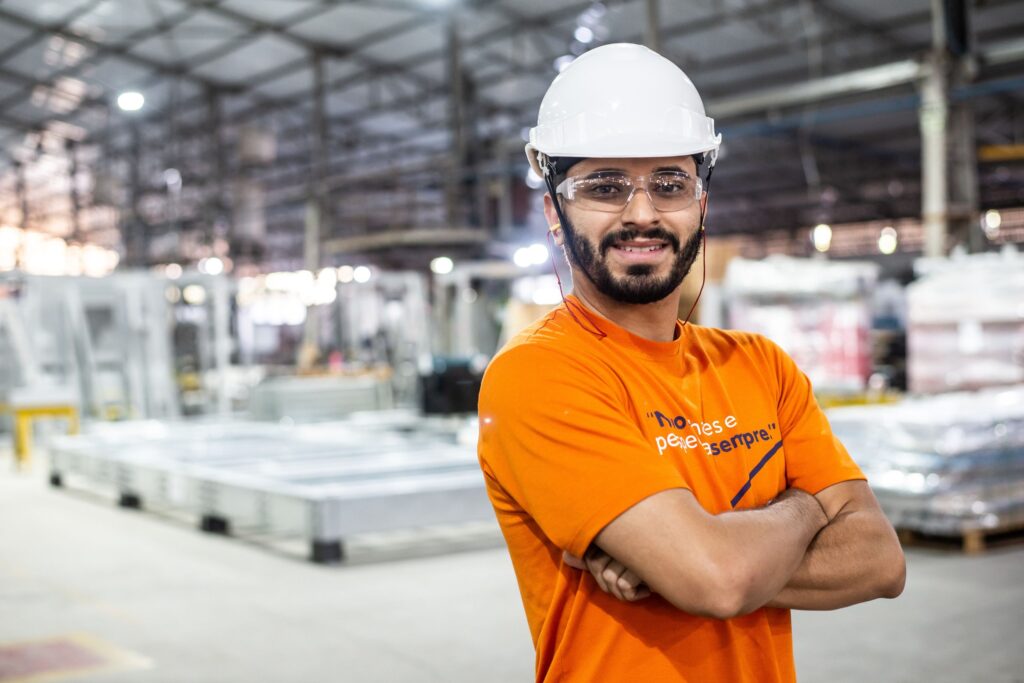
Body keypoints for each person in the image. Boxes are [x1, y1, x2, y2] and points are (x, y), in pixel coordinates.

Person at [476, 43, 905, 683]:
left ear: (701, 204)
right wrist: (807, 507)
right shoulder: (538, 375)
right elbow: (718, 580)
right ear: (554, 212)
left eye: (669, 183)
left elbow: (879, 561)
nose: (642, 212)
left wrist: (691, 560)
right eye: (604, 186)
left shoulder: (762, 366)